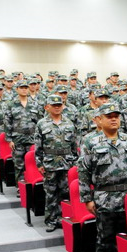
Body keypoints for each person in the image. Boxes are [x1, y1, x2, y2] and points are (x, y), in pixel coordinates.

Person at [78, 102, 127, 252]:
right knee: (105, 238)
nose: (113, 119)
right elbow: (83, 172)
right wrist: (87, 199)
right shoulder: (91, 141)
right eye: (109, 116)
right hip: (105, 196)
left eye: (116, 116)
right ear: (99, 119)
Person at [35, 94, 79, 232]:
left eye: (59, 105)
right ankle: (51, 220)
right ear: (48, 107)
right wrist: (39, 164)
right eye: (54, 105)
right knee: (51, 193)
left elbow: (74, 145)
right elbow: (38, 146)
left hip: (67, 162)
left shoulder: (69, 123)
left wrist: (75, 162)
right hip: (50, 163)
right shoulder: (42, 124)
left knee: (65, 192)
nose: (57, 107)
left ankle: (63, 218)